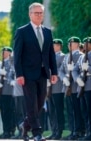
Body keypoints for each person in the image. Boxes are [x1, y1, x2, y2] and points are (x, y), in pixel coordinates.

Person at [13, 2, 58, 141]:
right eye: (36, 13)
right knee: (31, 103)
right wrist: (19, 74)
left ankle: (25, 125)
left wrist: (54, 72)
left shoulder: (47, 31)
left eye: (41, 13)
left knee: (39, 103)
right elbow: (17, 54)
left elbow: (51, 54)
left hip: (43, 73)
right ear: (30, 14)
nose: (39, 15)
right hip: (27, 74)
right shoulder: (22, 31)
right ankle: (37, 133)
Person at [72, 37, 91, 140]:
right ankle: (89, 131)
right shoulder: (81, 57)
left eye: (87, 43)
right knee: (85, 111)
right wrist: (77, 79)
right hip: (82, 85)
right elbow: (75, 70)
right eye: (84, 43)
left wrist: (87, 68)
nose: (84, 45)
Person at [46, 39, 65, 140]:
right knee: (51, 111)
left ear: (58, 46)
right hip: (49, 87)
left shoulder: (62, 56)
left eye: (54, 45)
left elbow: (61, 69)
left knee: (58, 110)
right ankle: (54, 130)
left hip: (57, 87)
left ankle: (59, 131)